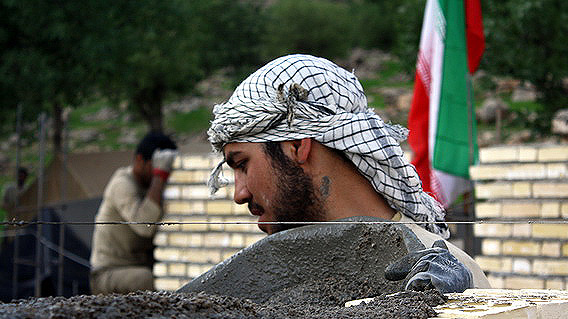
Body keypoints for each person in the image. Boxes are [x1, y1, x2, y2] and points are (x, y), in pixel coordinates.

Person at [206, 54, 489, 292]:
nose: (239, 194)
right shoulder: (273, 278)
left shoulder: (443, 275)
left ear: (296, 146)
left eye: (242, 164)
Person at [89, 132, 178, 294]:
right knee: (147, 279)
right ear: (139, 160)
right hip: (109, 272)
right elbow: (144, 226)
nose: (160, 170)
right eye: (155, 165)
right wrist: (160, 176)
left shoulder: (152, 185)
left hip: (141, 266)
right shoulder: (122, 184)